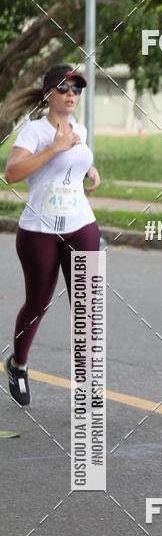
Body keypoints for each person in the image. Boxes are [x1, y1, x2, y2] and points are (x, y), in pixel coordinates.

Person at [3, 64, 101, 406]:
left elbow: (75, 159)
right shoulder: (34, 132)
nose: (71, 94)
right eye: (64, 88)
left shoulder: (80, 129)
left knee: (87, 306)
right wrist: (54, 150)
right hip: (39, 231)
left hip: (81, 224)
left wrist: (87, 167)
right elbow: (11, 173)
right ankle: (17, 364)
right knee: (38, 303)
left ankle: (88, 386)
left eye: (76, 89)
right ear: (48, 95)